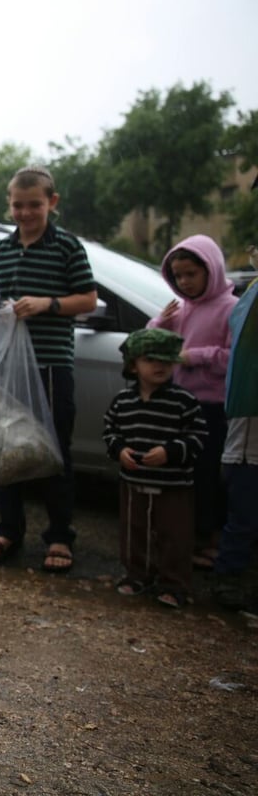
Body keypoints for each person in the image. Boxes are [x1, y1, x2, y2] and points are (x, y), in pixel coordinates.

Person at [0, 166, 97, 574]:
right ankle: (9, 529)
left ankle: (60, 535)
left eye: (34, 206)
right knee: (9, 450)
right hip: (10, 368)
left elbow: (88, 299)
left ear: (52, 203)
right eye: (18, 205)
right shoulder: (2, 250)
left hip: (50, 365)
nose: (25, 213)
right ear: (9, 205)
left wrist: (48, 303)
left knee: (53, 451)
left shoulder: (67, 247)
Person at [145, 235, 237, 571]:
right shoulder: (181, 308)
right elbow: (151, 341)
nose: (184, 282)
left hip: (213, 405)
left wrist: (192, 356)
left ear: (210, 270)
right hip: (180, 402)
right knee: (182, 472)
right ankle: (187, 535)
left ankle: (210, 537)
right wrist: (160, 323)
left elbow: (232, 358)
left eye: (191, 274)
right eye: (178, 276)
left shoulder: (230, 308)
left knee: (208, 474)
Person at [103, 328, 206, 608]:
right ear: (133, 365)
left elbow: (198, 438)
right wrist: (120, 451)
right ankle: (137, 574)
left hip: (173, 484)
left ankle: (174, 583)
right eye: (151, 360)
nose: (160, 366)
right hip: (133, 482)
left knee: (175, 534)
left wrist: (170, 452)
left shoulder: (184, 401)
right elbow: (110, 432)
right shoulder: (123, 401)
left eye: (166, 360)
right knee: (134, 531)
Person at [212, 274, 258, 611]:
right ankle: (228, 580)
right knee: (242, 517)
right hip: (247, 446)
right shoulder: (250, 300)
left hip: (246, 444)